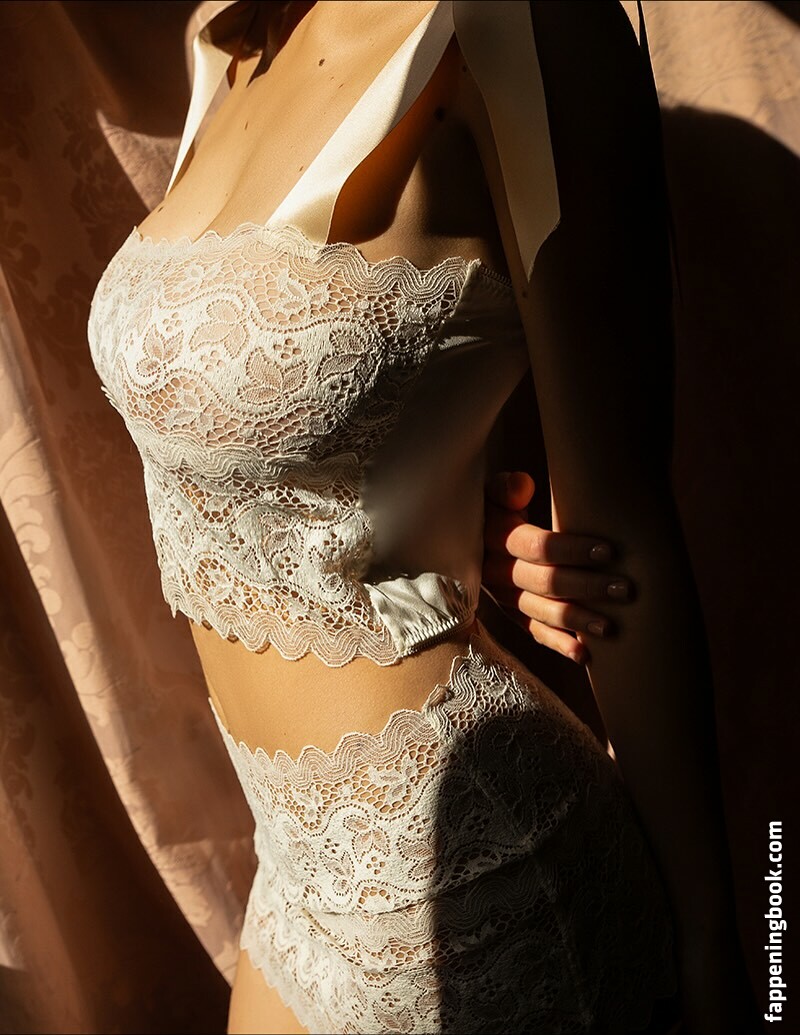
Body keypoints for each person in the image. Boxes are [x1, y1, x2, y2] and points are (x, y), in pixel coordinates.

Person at [86, 1, 760, 1032]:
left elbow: (618, 533)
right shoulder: (226, 42)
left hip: (480, 882)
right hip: (291, 875)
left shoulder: (522, 27)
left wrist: (724, 958)